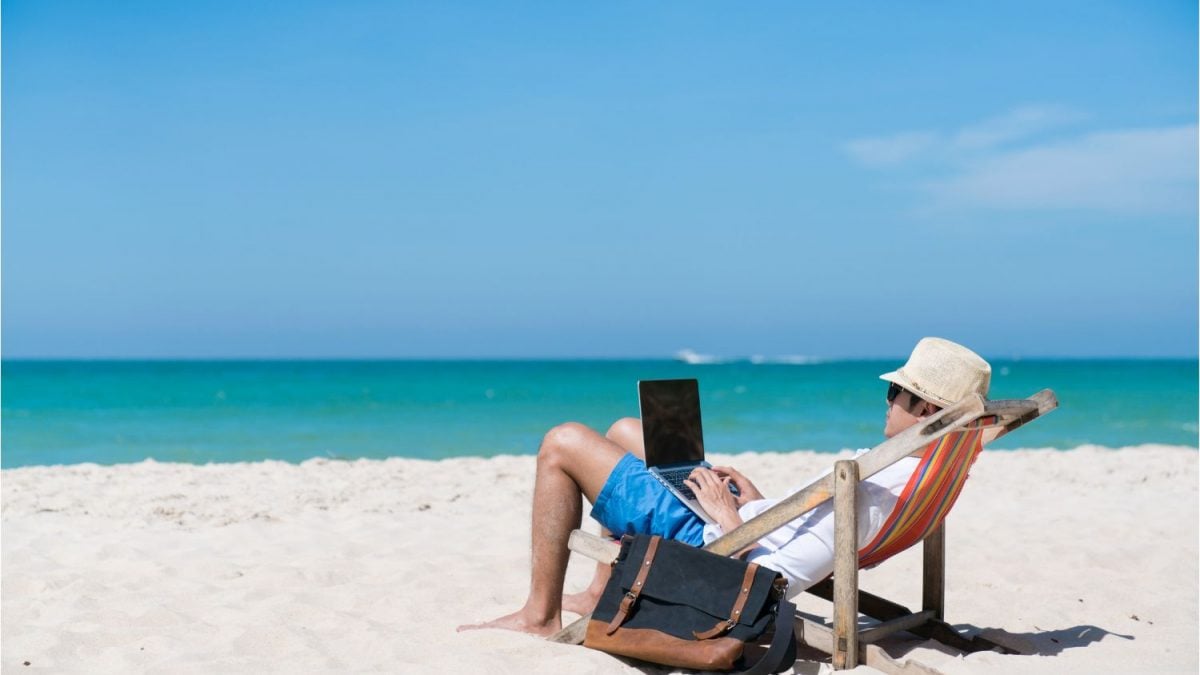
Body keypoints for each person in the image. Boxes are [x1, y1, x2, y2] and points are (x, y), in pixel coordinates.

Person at [458, 337, 991, 637]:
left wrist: (725, 516)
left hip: (717, 544)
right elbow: (809, 532)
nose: (888, 400)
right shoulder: (916, 469)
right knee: (626, 430)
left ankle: (539, 615)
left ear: (926, 409)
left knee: (562, 442)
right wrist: (756, 501)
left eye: (896, 392)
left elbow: (774, 578)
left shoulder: (874, 491)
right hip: (747, 524)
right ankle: (601, 590)